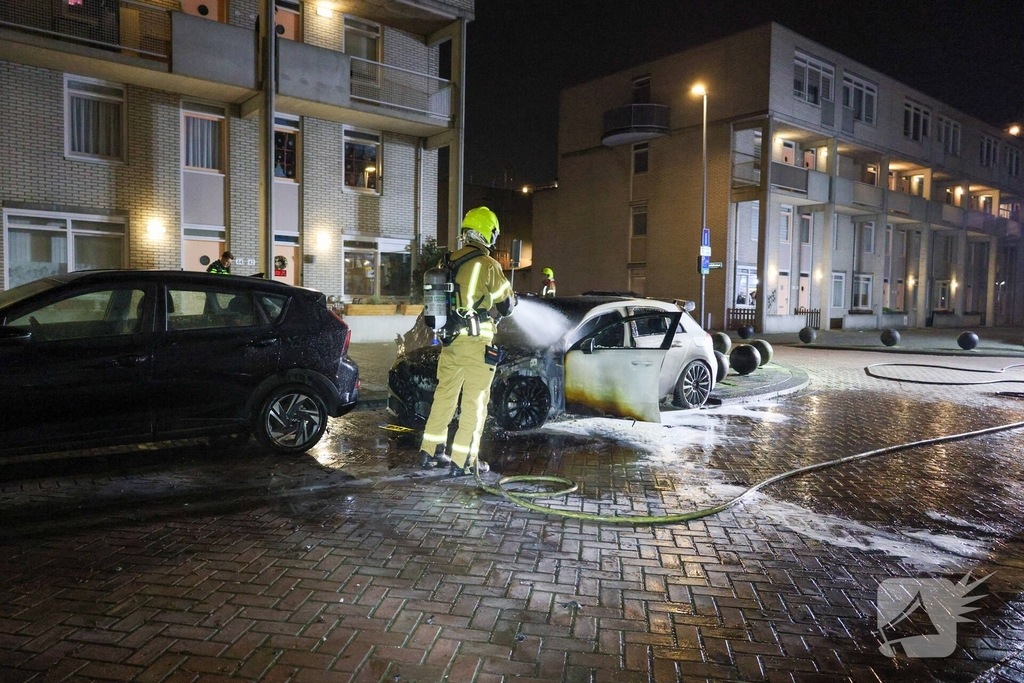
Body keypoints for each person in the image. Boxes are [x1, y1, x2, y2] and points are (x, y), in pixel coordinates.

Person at [418, 207, 515, 477]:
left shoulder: (446, 262)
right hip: (476, 345)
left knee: (445, 397)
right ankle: (465, 461)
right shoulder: (488, 265)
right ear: (488, 233)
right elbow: (506, 306)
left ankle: (431, 451)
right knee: (475, 402)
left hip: (450, 344)